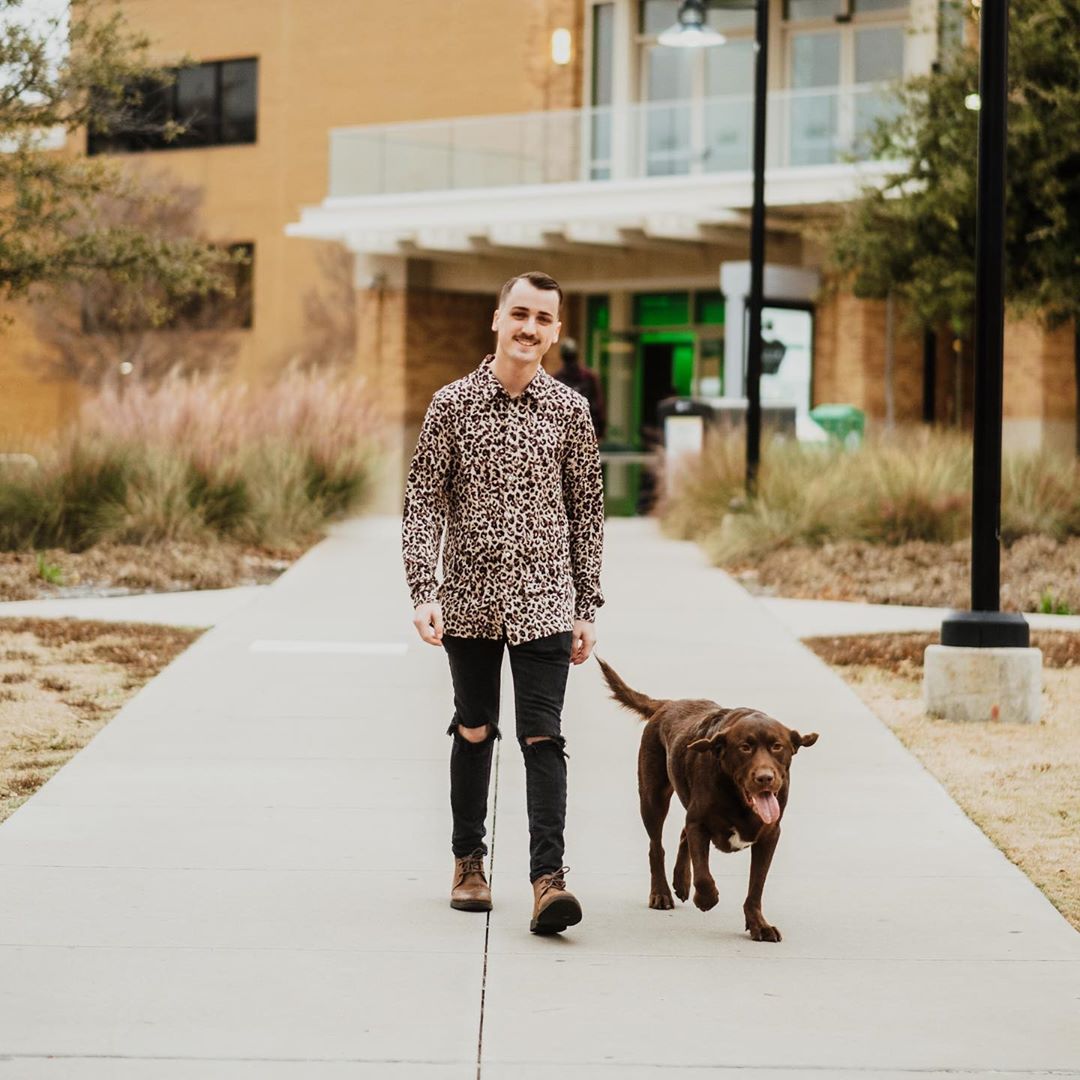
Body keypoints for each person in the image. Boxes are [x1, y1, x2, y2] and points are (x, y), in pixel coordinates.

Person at [402, 270, 604, 936]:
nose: (529, 328)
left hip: (547, 601)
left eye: (543, 319)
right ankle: (469, 863)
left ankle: (550, 881)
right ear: (496, 319)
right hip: (468, 599)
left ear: (555, 331)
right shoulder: (451, 405)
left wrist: (587, 605)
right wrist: (421, 589)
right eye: (520, 314)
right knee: (475, 728)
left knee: (543, 737)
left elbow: (588, 512)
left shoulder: (569, 411)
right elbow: (424, 498)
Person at [553, 338, 607, 439]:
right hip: (581, 430)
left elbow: (597, 406)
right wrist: (600, 430)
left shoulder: (556, 378)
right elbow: (598, 406)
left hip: (566, 431)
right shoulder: (589, 377)